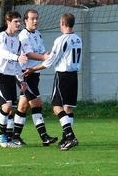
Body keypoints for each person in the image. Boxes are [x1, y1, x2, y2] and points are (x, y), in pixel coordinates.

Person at [23, 13, 82, 151]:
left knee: (57, 107)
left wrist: (33, 69)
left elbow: (49, 62)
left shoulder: (61, 40)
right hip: (74, 75)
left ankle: (71, 136)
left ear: (62, 23)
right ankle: (65, 140)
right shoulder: (78, 39)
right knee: (68, 108)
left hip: (63, 76)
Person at [13, 9, 58, 147]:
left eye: (36, 18)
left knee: (23, 106)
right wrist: (44, 58)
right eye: (32, 19)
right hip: (25, 74)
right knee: (37, 103)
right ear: (26, 21)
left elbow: (41, 51)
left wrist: (50, 54)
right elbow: (29, 54)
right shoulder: (24, 35)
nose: (35, 21)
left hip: (34, 73)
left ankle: (15, 137)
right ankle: (44, 137)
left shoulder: (37, 34)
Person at [0, 10, 28, 148]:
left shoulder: (17, 42)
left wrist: (21, 80)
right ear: (8, 22)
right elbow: (3, 53)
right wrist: (17, 57)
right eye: (15, 21)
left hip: (11, 76)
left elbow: (17, 64)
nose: (18, 24)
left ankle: (10, 139)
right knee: (6, 106)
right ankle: (2, 135)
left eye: (19, 21)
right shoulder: (1, 37)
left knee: (11, 109)